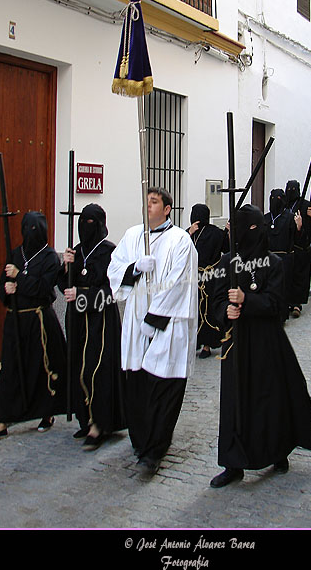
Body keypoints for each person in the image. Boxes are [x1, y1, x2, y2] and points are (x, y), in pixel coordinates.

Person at [208, 204, 311, 488]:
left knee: (270, 400)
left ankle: (277, 451)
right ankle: (233, 462)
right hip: (236, 344)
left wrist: (246, 301)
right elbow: (215, 302)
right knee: (234, 400)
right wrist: (226, 312)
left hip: (268, 342)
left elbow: (277, 305)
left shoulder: (274, 264)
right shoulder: (226, 264)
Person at [107, 187, 198, 475]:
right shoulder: (134, 235)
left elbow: (178, 283)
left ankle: (155, 450)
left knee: (162, 389)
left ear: (168, 208)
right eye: (146, 201)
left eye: (154, 201)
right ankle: (140, 440)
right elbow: (114, 267)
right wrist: (134, 268)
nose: (148, 206)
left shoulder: (180, 241)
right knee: (136, 386)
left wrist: (154, 319)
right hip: (136, 321)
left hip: (168, 326)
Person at [0, 211, 67, 443]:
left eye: (36, 230)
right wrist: (5, 290)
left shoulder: (50, 258)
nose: (32, 234)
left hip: (39, 321)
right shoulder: (15, 253)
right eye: (28, 229)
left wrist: (19, 278)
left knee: (41, 368)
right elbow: (2, 285)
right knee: (9, 369)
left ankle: (46, 413)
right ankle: (2, 421)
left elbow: (44, 289)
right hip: (16, 321)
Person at [57, 203, 127, 450]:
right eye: (82, 222)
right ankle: (85, 419)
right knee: (78, 367)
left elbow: (113, 288)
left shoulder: (110, 252)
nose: (86, 228)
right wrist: (65, 267)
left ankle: (100, 423)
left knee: (96, 370)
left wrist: (83, 292)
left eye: (91, 223)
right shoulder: (76, 252)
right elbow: (63, 287)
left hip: (101, 321)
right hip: (78, 320)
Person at [187, 203, 228, 358]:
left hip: (210, 278)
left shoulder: (216, 233)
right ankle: (195, 342)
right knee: (194, 310)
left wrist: (229, 233)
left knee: (208, 310)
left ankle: (207, 345)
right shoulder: (188, 233)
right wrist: (189, 234)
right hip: (193, 278)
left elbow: (226, 249)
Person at [263, 188, 299, 323]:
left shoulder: (290, 217)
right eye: (273, 199)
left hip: (285, 259)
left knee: (283, 288)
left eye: (278, 199)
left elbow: (295, 238)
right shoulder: (266, 218)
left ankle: (282, 315)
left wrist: (299, 227)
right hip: (268, 259)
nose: (275, 202)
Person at [285, 180, 311, 317]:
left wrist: (301, 226)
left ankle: (297, 303)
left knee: (299, 277)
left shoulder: (305, 205)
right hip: (287, 246)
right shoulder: (284, 204)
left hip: (301, 246)